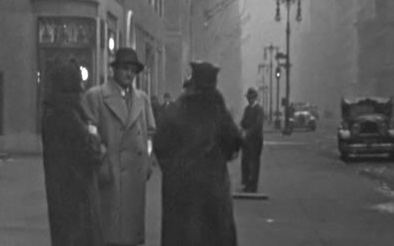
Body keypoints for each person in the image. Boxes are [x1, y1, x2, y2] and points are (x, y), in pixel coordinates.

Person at [153, 61, 242, 246]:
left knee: (182, 235)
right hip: (212, 187)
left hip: (181, 188)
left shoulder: (179, 107)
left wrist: (172, 170)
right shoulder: (217, 108)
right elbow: (233, 143)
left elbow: (160, 144)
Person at [81, 47, 156, 246]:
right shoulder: (95, 96)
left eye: (133, 70)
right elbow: (90, 131)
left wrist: (148, 159)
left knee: (131, 233)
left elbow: (149, 133)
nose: (129, 74)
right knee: (110, 232)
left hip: (135, 174)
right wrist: (102, 159)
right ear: (114, 70)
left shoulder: (142, 99)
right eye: (124, 68)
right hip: (110, 171)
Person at [41, 59, 104, 246]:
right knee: (80, 236)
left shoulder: (51, 112)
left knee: (63, 234)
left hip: (59, 188)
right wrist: (94, 135)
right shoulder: (71, 116)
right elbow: (93, 152)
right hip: (78, 191)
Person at [240, 87, 264, 193]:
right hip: (247, 141)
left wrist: (248, 133)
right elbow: (243, 122)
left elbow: (258, 126)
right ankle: (246, 184)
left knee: (254, 163)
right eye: (248, 98)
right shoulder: (247, 109)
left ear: (255, 98)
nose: (249, 100)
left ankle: (253, 186)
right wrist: (242, 128)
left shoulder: (259, 110)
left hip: (256, 141)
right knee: (245, 162)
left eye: (251, 98)